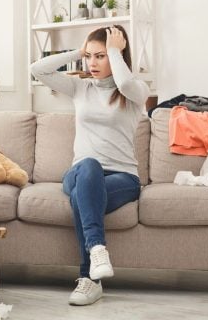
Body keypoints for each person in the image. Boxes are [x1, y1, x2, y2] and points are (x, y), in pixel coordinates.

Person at [30, 25, 149, 306]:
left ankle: (89, 280)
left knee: (84, 197)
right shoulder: (80, 87)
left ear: (117, 56)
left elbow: (126, 84)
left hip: (123, 178)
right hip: (80, 171)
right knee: (89, 168)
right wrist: (77, 51)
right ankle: (97, 250)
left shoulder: (135, 92)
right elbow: (38, 69)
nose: (92, 63)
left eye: (101, 56)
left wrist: (114, 51)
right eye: (89, 57)